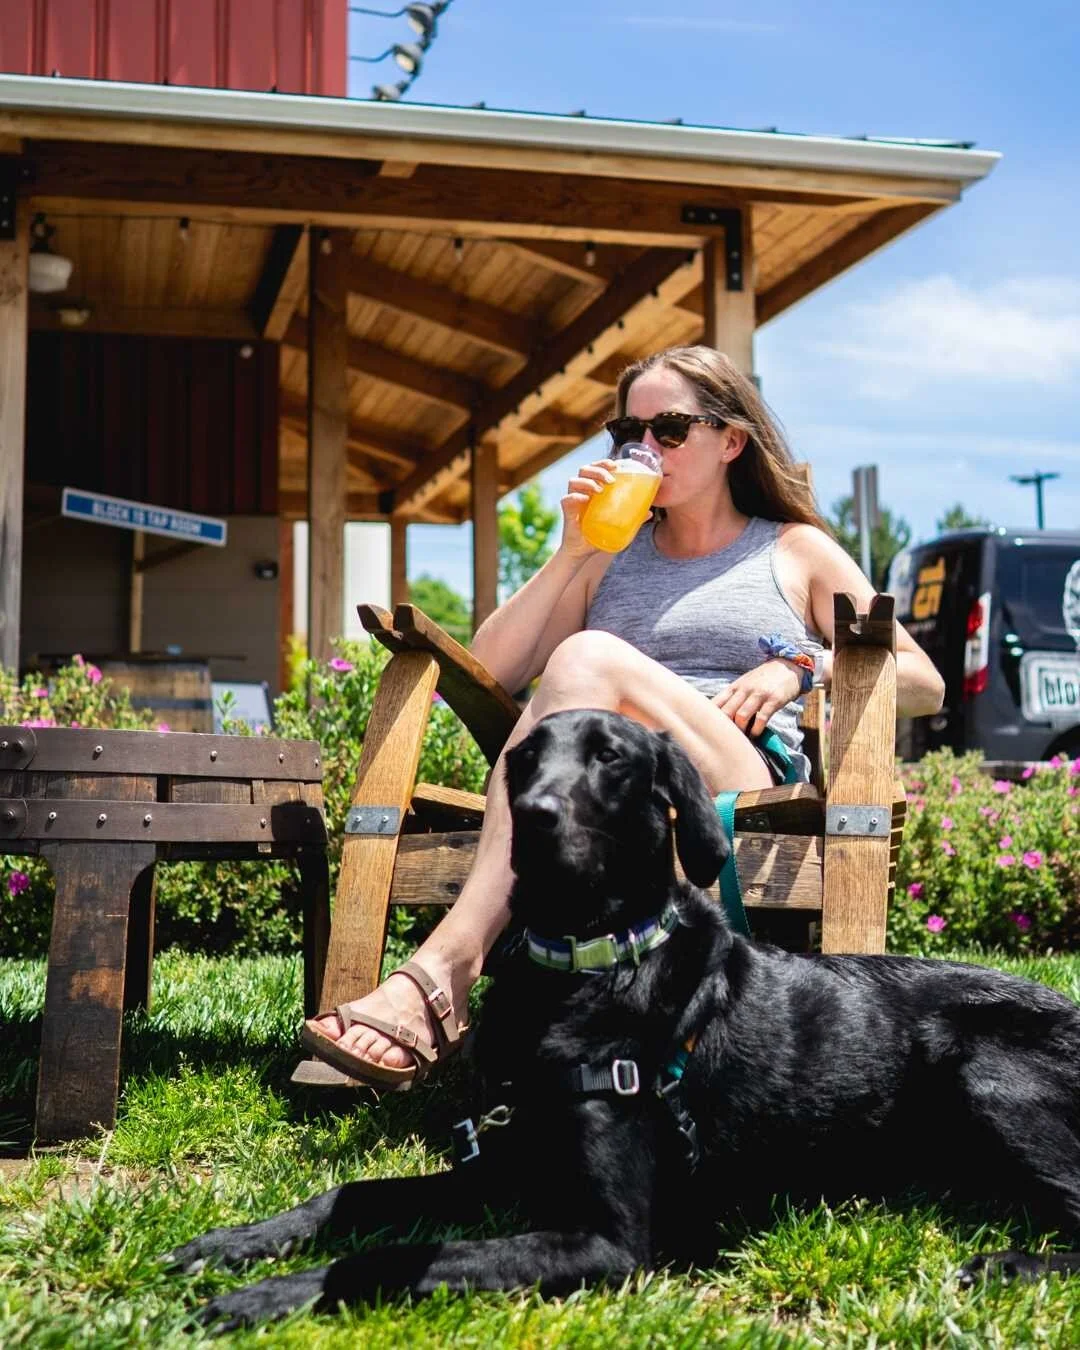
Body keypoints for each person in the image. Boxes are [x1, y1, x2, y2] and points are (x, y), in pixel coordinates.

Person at [301, 344, 945, 1089]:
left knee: (586, 658)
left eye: (669, 429)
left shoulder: (795, 551)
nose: (645, 448)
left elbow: (923, 680)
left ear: (731, 441)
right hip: (607, 792)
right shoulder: (609, 552)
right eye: (627, 433)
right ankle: (433, 986)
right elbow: (491, 669)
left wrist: (803, 666)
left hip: (732, 778)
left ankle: (442, 975)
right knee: (583, 663)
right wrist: (572, 552)